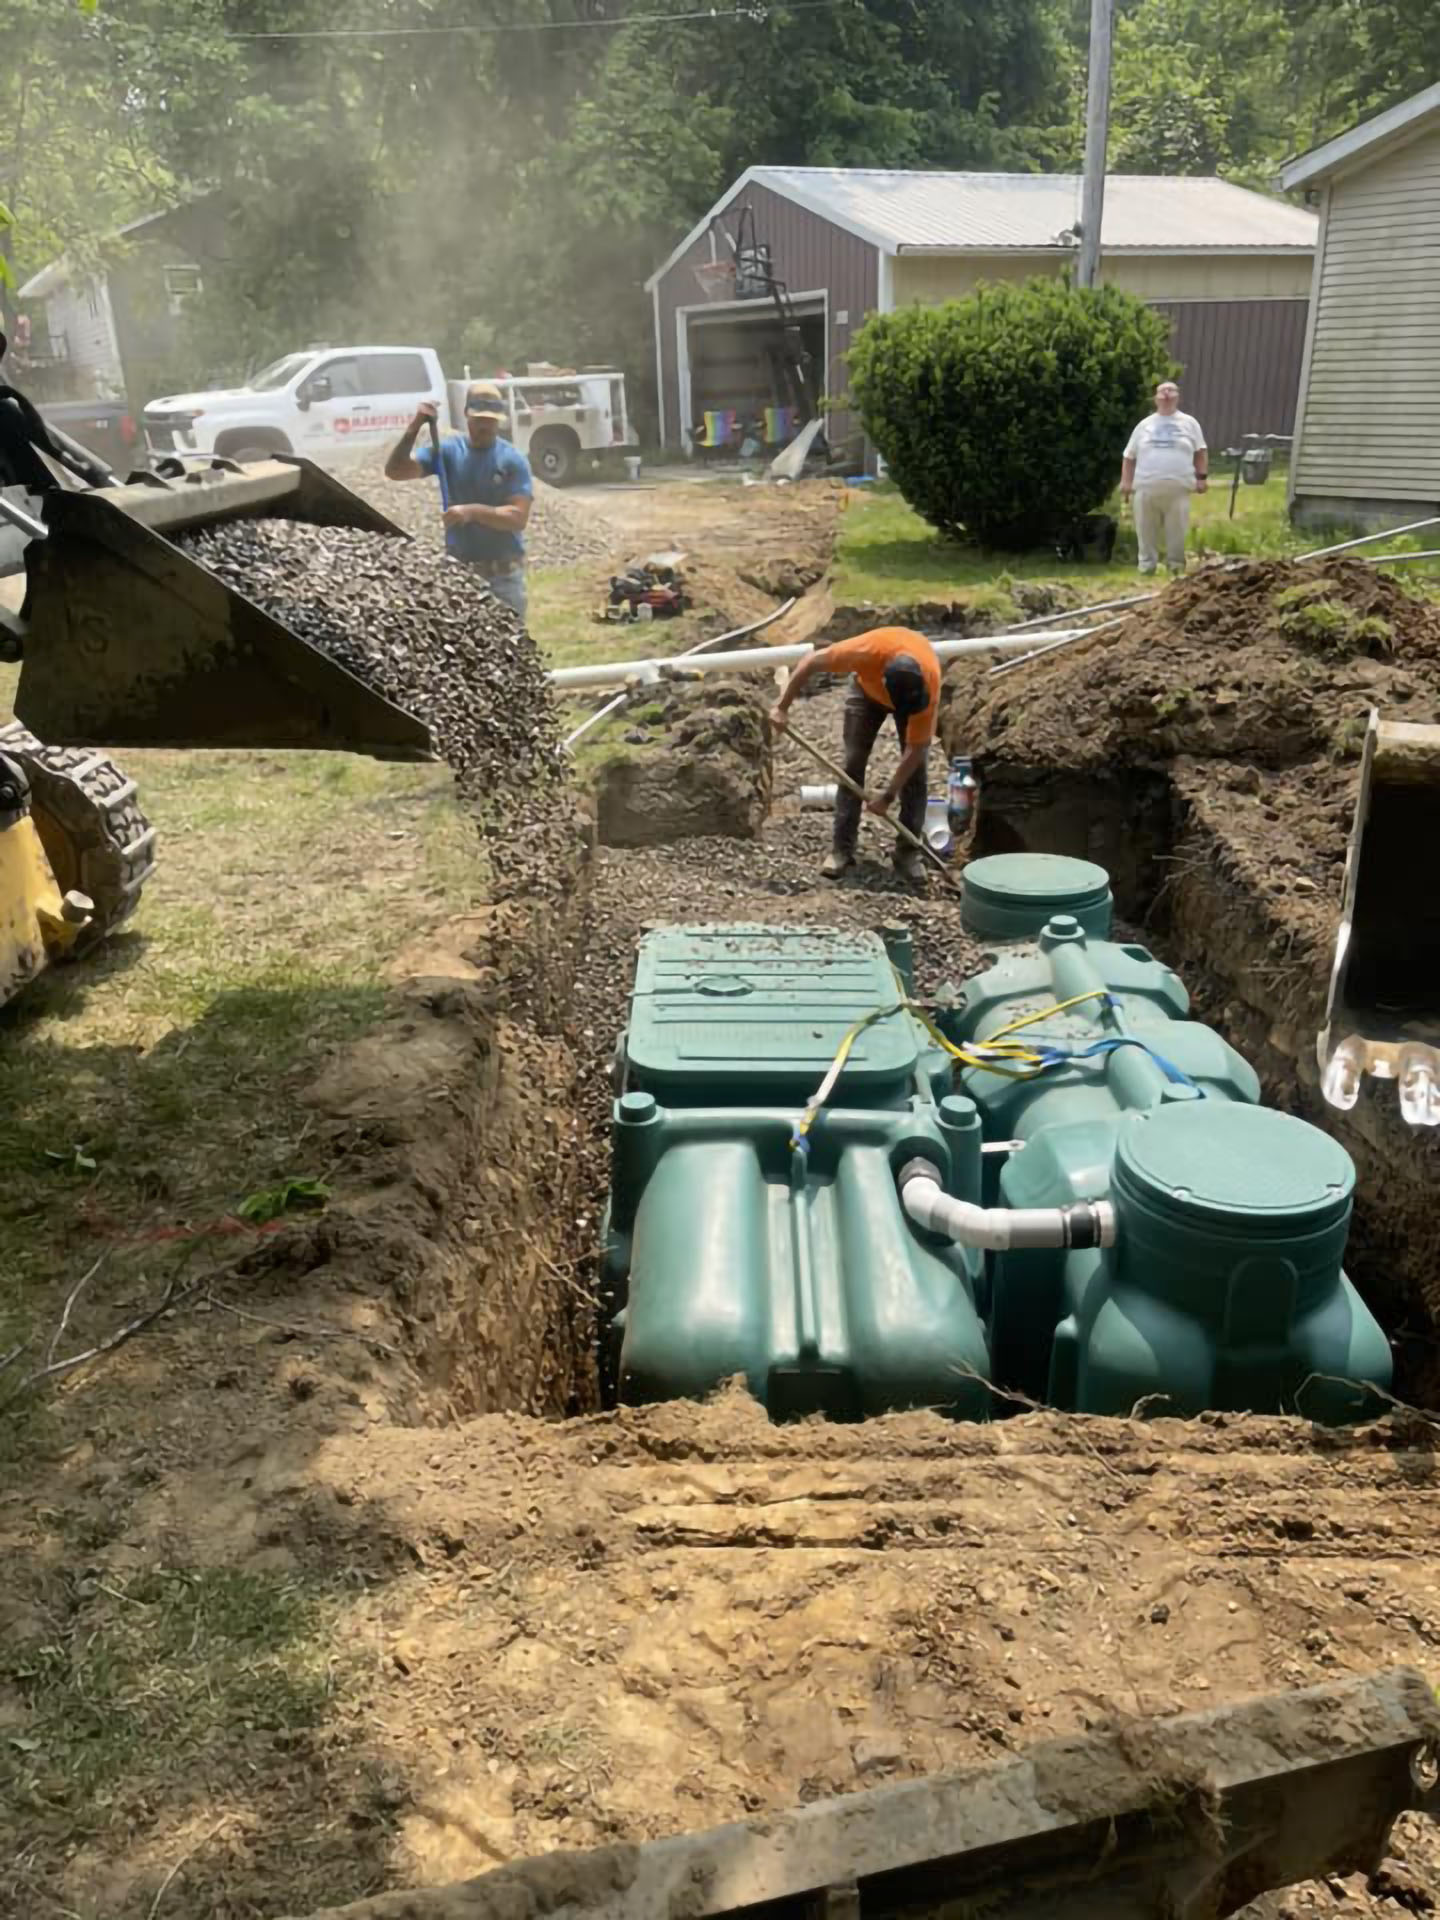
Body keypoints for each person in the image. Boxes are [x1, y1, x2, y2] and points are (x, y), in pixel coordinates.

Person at [770, 627, 942, 882]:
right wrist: (782, 708)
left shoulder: (927, 685)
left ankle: (908, 853)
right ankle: (842, 850)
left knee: (916, 775)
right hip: (866, 692)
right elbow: (810, 662)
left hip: (907, 692)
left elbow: (915, 748)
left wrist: (888, 794)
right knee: (853, 763)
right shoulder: (864, 652)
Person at [385, 380, 532, 619]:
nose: (485, 426)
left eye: (490, 420)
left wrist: (472, 512)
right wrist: (415, 427)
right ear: (466, 415)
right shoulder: (448, 453)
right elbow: (396, 471)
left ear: (499, 420)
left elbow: (517, 518)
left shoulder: (512, 460)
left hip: (503, 580)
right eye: (479, 419)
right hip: (461, 578)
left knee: (511, 653)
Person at [1120, 381, 1208, 576]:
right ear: (1156, 398)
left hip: (1178, 488)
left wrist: (1201, 477)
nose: (1167, 394)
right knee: (1145, 531)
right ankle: (1146, 567)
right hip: (1146, 487)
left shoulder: (1189, 423)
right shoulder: (1145, 425)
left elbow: (1200, 452)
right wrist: (1126, 482)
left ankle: (1175, 566)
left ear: (1178, 397)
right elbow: (1129, 456)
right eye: (1162, 391)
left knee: (1176, 531)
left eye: (1171, 390)